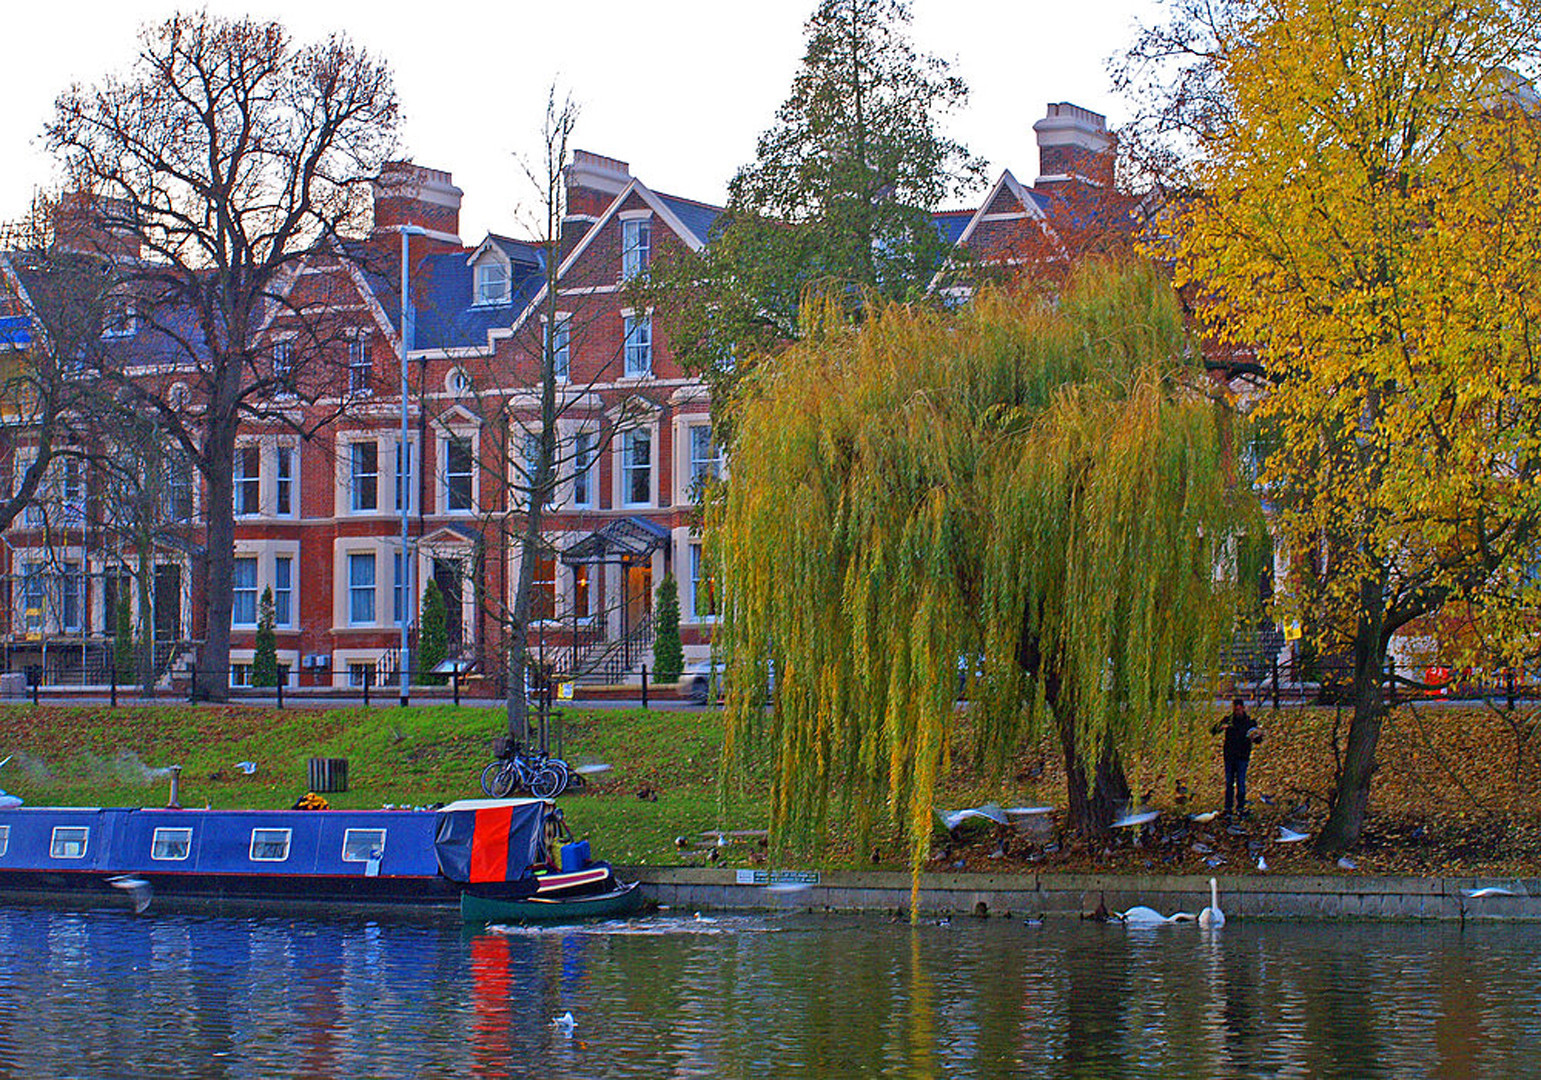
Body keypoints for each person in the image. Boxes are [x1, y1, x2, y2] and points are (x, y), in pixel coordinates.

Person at [1211, 698, 1262, 816]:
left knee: (1241, 782)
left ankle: (1240, 807)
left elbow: (1257, 740)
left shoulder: (1250, 722)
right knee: (1229, 783)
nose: (1237, 712)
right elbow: (1213, 730)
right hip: (1229, 756)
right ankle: (1228, 807)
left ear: (1243, 708)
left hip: (1242, 756)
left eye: (1239, 710)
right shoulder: (1228, 720)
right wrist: (1220, 727)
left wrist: (1257, 736)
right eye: (1235, 710)